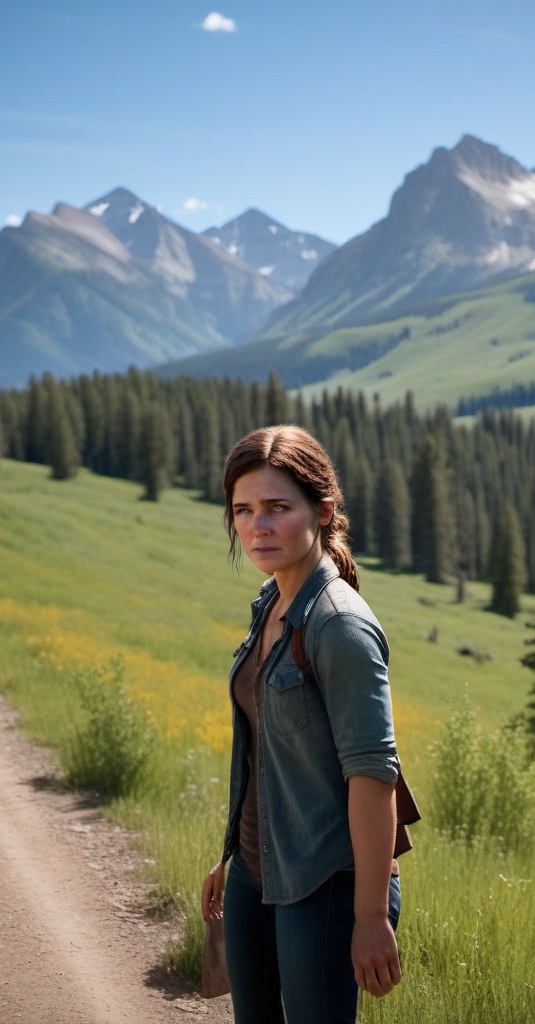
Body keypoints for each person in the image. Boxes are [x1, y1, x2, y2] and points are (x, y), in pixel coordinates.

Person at [201, 424, 403, 1024]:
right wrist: (231, 853)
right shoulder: (271, 602)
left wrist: (369, 918)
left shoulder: (339, 624)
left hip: (324, 883)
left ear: (323, 510)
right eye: (243, 510)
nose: (257, 526)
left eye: (276, 508)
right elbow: (270, 752)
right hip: (257, 869)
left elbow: (372, 776)